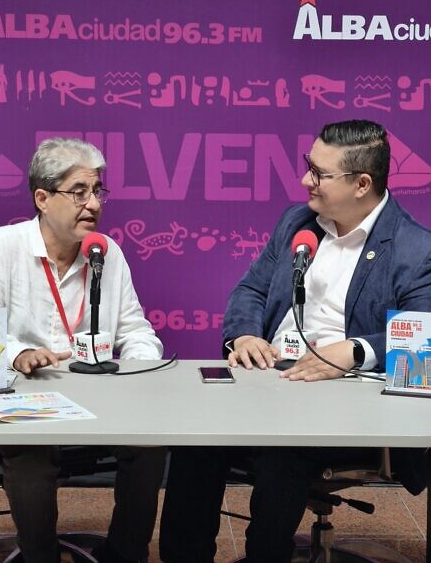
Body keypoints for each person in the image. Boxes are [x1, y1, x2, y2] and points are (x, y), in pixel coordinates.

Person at [159, 120, 431, 563]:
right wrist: (244, 334)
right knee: (196, 438)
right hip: (271, 381)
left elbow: (425, 332)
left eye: (319, 173)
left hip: (346, 403)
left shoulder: (415, 248)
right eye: (309, 166)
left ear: (362, 184)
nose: (306, 180)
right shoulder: (296, 222)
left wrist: (356, 351)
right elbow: (251, 290)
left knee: (282, 451)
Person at [0, 138, 166, 563]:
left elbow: (136, 329)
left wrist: (137, 368)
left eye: (97, 191)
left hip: (99, 396)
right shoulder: (2, 247)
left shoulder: (106, 252)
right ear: (42, 199)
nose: (93, 204)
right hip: (24, 397)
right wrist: (18, 355)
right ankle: (40, 556)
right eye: (78, 192)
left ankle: (125, 554)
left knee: (150, 446)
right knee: (30, 458)